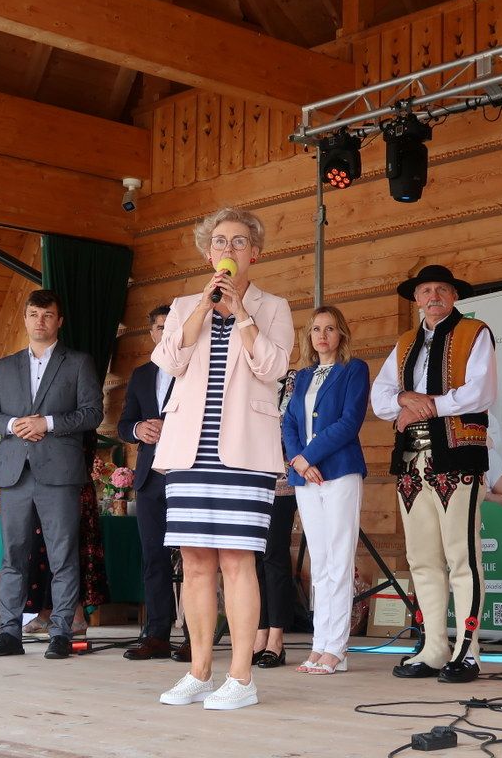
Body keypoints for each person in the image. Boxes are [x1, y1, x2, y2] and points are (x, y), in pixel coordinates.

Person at [152, 207, 293, 710]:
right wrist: (203, 309)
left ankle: (241, 677)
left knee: (237, 560)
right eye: (219, 242)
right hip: (190, 451)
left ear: (254, 253)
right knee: (194, 563)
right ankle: (199, 671)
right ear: (208, 254)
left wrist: (242, 316)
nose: (227, 249)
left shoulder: (273, 307)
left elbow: (274, 368)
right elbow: (169, 360)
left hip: (245, 451)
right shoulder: (185, 304)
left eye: (237, 242)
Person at [371, 264, 496, 684]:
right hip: (412, 461)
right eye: (426, 291)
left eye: (442, 290)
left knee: (462, 557)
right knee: (422, 558)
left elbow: (480, 391)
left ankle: (468, 650)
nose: (433, 297)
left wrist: (426, 407)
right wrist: (405, 399)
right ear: (416, 299)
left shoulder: (474, 333)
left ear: (454, 296)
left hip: (458, 456)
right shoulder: (405, 343)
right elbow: (381, 397)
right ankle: (435, 647)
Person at [0, 289, 103, 660]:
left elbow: (92, 413)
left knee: (63, 555)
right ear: (25, 319)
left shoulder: (78, 362)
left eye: (47, 315)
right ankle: (9, 633)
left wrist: (46, 422)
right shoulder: (5, 366)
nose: (40, 321)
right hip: (15, 473)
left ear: (58, 321)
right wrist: (14, 424)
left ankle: (61, 632)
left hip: (60, 473)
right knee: (12, 557)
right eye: (33, 314)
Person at [282, 306, 370, 675]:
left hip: (340, 472)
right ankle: (320, 644)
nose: (322, 335)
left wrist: (308, 456)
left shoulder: (354, 369)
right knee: (319, 562)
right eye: (316, 329)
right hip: (306, 477)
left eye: (330, 328)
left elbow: (349, 422)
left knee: (339, 560)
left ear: (341, 334)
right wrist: (299, 461)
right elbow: (288, 421)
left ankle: (337, 648)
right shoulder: (301, 376)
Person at [116, 303, 190, 661]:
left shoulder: (193, 367)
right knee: (153, 559)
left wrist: (171, 427)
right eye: (160, 327)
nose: (166, 332)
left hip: (186, 475)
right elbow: (122, 424)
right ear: (152, 333)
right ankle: (157, 634)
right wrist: (138, 429)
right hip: (148, 478)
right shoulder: (142, 374)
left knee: (193, 560)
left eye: (171, 326)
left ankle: (194, 636)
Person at [251, 369, 298, 670]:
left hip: (282, 480)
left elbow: (288, 428)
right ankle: (260, 633)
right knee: (254, 557)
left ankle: (276, 639)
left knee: (274, 555)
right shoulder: (249, 380)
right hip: (250, 479)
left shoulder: (292, 381)